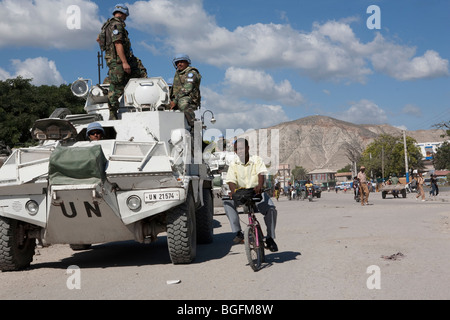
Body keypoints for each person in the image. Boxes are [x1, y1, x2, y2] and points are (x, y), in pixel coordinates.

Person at [222, 138, 278, 252]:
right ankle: (238, 232)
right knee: (227, 202)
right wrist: (234, 192)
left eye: (242, 148)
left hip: (255, 192)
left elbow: (261, 173)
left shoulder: (256, 160)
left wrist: (259, 186)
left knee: (271, 209)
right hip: (241, 194)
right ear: (235, 151)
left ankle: (270, 238)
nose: (240, 151)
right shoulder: (233, 164)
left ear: (248, 148)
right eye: (237, 149)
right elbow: (231, 180)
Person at [97, 4, 147, 120]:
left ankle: (138, 99)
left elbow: (99, 39)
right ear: (123, 14)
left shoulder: (107, 25)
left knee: (139, 71)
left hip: (115, 60)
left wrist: (107, 51)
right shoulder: (117, 25)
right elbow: (118, 43)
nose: (126, 18)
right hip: (118, 61)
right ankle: (113, 114)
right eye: (126, 16)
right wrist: (124, 62)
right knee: (116, 87)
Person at [169, 54, 201, 127]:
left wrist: (175, 100)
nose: (179, 64)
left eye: (182, 62)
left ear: (187, 63)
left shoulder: (191, 73)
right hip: (178, 97)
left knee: (183, 104)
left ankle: (194, 125)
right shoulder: (178, 73)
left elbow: (188, 88)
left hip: (190, 97)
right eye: (177, 62)